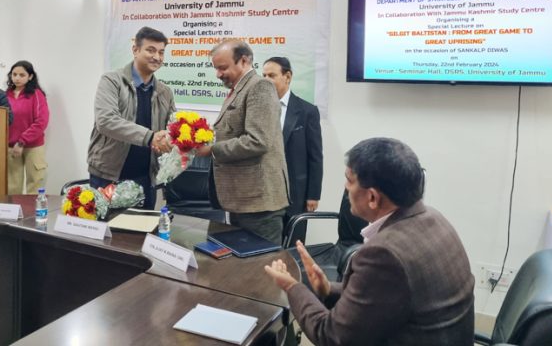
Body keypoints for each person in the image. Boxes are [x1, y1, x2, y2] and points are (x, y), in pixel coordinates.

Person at [264, 137, 475, 345]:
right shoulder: (436, 220)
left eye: (349, 180)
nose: (346, 188)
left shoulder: (384, 254)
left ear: (372, 197)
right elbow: (383, 299)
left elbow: (332, 336)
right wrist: (328, 289)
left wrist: (292, 286)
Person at [196, 40, 289, 244]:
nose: (218, 74)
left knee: (260, 269)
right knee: (241, 270)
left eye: (223, 68)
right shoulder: (239, 89)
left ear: (244, 61)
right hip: (242, 200)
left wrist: (212, 149)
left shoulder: (260, 87)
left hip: (259, 204)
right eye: (216, 68)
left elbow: (257, 141)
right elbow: (232, 132)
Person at [87, 26, 175, 209]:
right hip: (108, 175)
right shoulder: (112, 81)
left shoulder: (165, 92)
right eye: (150, 50)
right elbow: (106, 121)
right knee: (106, 232)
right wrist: (151, 136)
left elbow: (172, 128)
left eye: (161, 52)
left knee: (142, 234)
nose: (157, 57)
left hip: (146, 177)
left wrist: (183, 138)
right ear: (135, 50)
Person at [262, 57, 323, 244]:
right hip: (264, 191)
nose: (265, 80)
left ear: (287, 77)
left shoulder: (307, 111)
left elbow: (315, 156)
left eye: (271, 75)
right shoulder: (258, 108)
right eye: (263, 75)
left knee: (293, 247)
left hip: (296, 193)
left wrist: (313, 194)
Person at [5, 60, 49, 194]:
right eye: (14, 74)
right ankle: (14, 214)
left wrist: (22, 141)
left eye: (22, 75)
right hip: (10, 146)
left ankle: (33, 214)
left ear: (30, 77)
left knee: (35, 184)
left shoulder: (36, 94)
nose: (17, 78)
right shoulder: (5, 95)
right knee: (12, 187)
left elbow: (41, 121)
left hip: (33, 147)